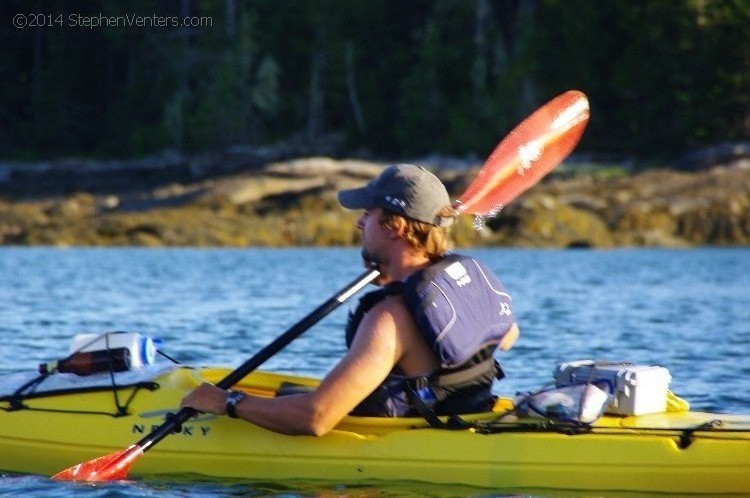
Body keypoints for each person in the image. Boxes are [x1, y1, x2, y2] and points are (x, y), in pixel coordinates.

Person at [180, 164, 519, 435]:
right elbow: (508, 335)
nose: (359, 222)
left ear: (394, 227)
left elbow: (316, 418)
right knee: (287, 392)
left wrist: (229, 402)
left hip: (419, 441)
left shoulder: (390, 319)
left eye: (368, 214)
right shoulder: (470, 282)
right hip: (472, 415)